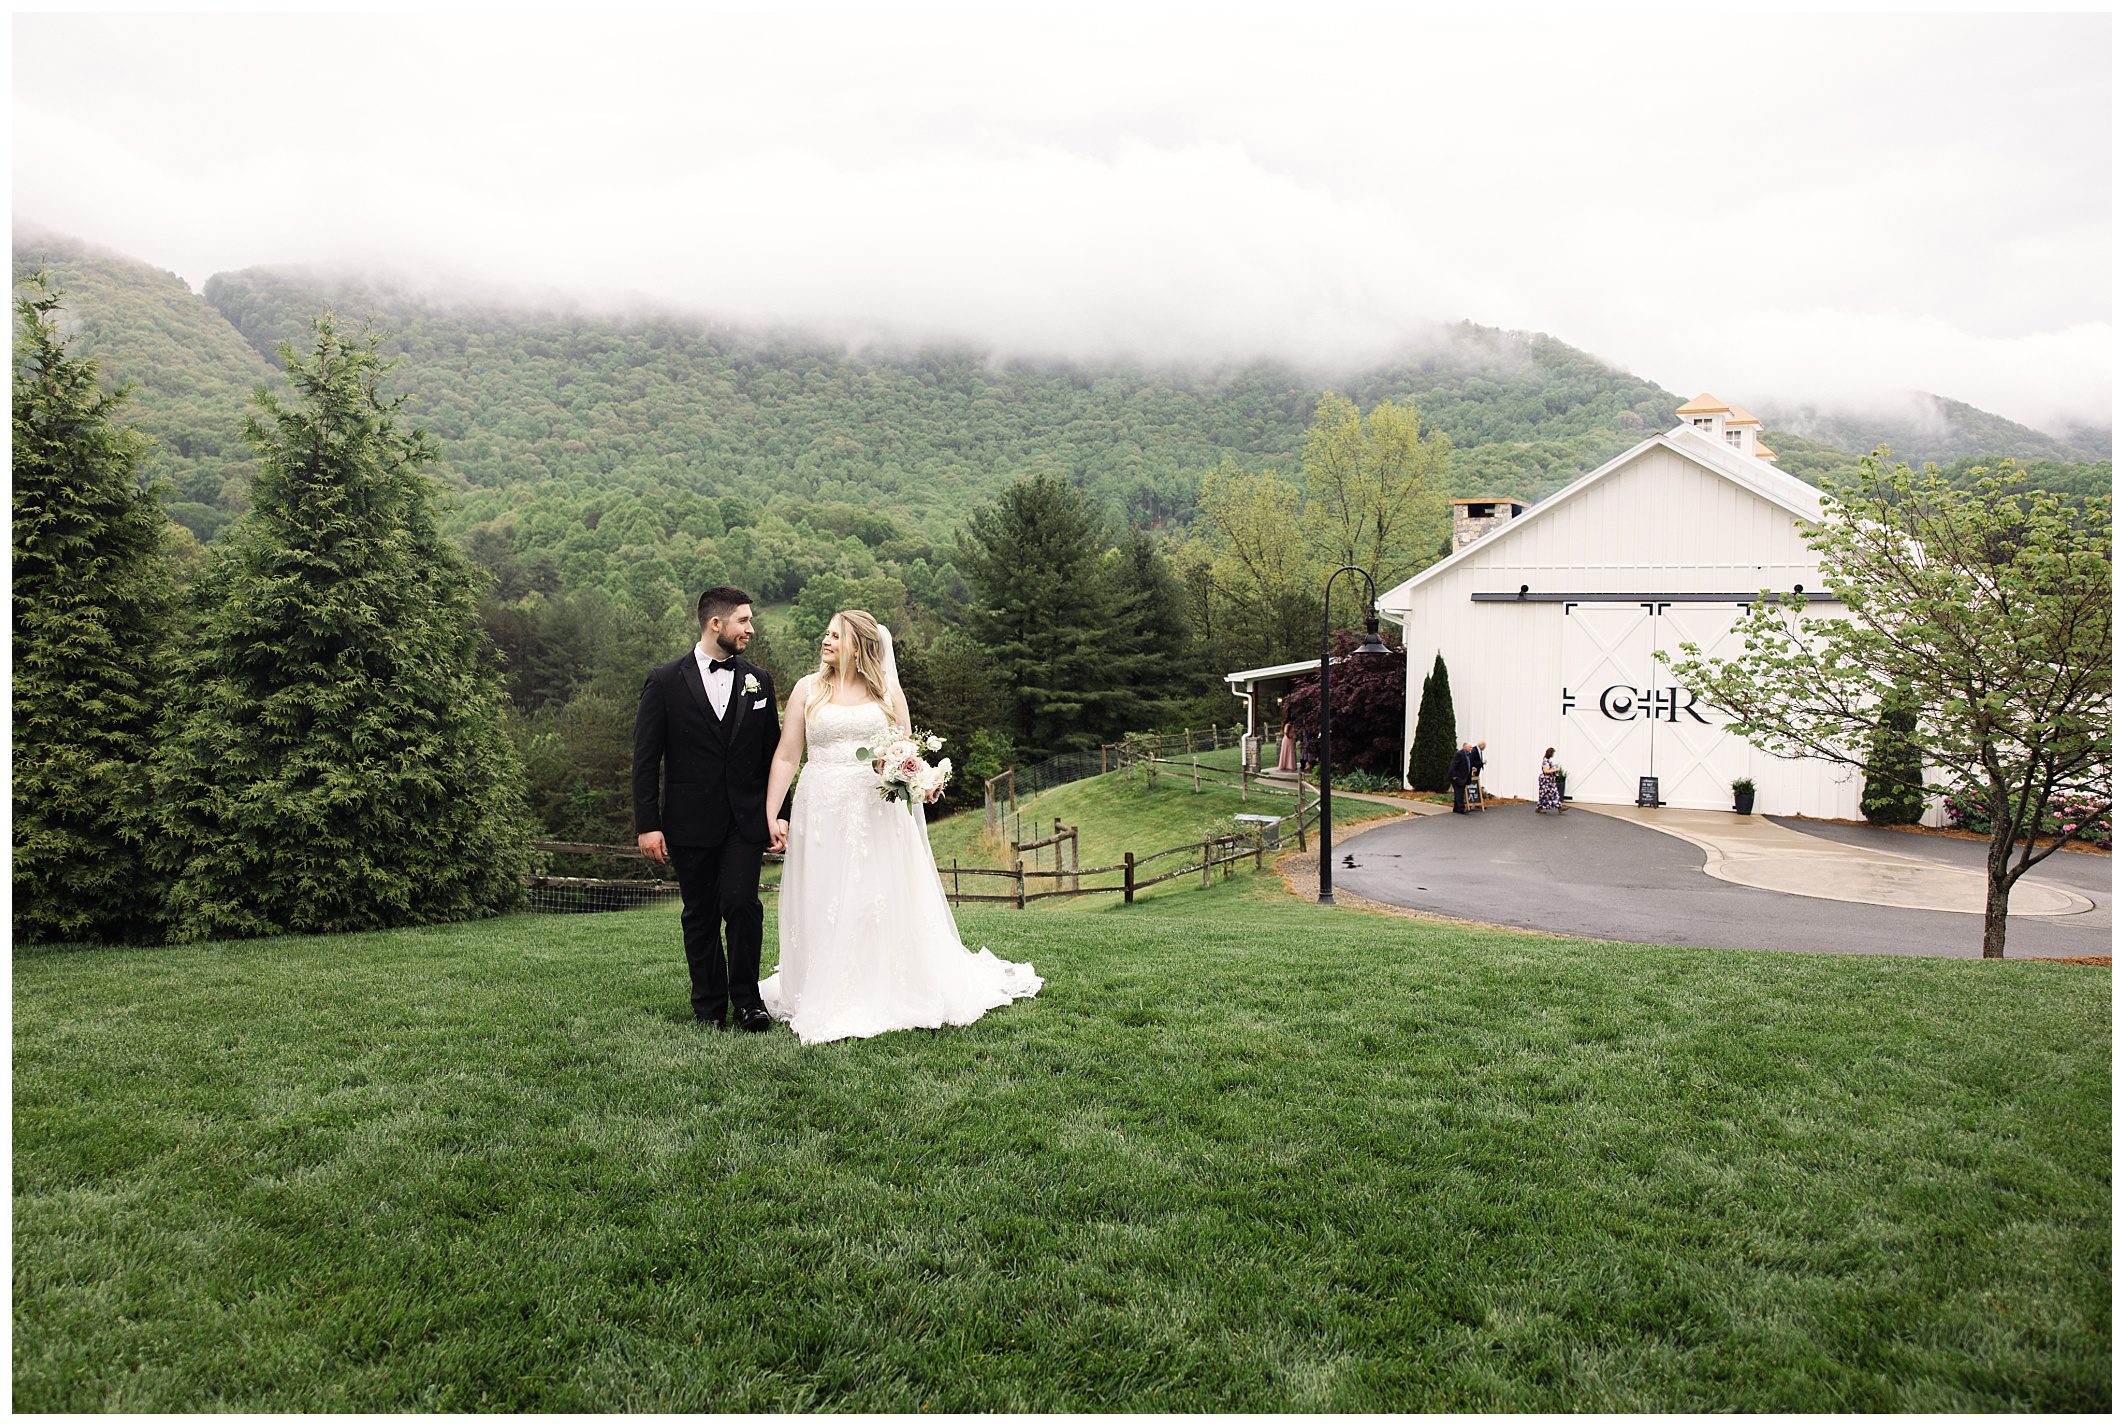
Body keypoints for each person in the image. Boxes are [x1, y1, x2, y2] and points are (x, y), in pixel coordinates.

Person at [759, 609, 1041, 1045]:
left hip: (874, 808)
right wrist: (772, 812)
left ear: (858, 644)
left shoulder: (886, 691)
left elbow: (906, 751)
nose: (826, 640)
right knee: (824, 892)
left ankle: (877, 984)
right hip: (819, 808)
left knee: (873, 893)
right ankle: (820, 982)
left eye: (836, 635)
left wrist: (918, 779)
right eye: (827, 634)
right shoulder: (807, 689)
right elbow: (786, 756)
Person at [633, 586, 791, 1030]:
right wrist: (648, 824)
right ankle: (708, 1006)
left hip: (744, 820)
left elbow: (774, 754)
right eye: (743, 620)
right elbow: (646, 758)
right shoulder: (664, 681)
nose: (751, 629)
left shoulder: (759, 679)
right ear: (715, 624)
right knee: (699, 913)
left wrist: (780, 814)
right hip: (687, 822)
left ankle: (748, 1001)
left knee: (741, 904)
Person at [1448, 741, 1474, 813]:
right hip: (1458, 777)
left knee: (1460, 792)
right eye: (1470, 747)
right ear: (1464, 747)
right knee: (1459, 792)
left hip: (1464, 777)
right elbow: (1453, 765)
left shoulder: (1468, 755)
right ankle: (1461, 808)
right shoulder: (1459, 754)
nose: (1471, 748)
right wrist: (1454, 776)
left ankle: (1456, 808)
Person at [1537, 747, 1564, 813]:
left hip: (1550, 781)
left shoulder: (1548, 760)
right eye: (1553, 753)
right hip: (1546, 782)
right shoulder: (1545, 761)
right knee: (1544, 794)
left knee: (1555, 793)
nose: (1554, 754)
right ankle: (1539, 808)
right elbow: (1546, 771)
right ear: (1550, 753)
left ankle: (1560, 807)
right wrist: (1556, 770)